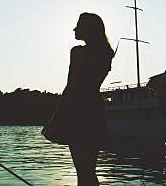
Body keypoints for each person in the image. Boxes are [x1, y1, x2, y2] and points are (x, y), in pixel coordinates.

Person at [44, 12, 114, 186]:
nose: (74, 28)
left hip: (79, 111)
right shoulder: (105, 54)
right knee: (89, 170)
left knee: (82, 171)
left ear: (88, 29)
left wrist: (55, 119)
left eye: (78, 25)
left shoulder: (78, 52)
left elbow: (72, 88)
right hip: (95, 110)